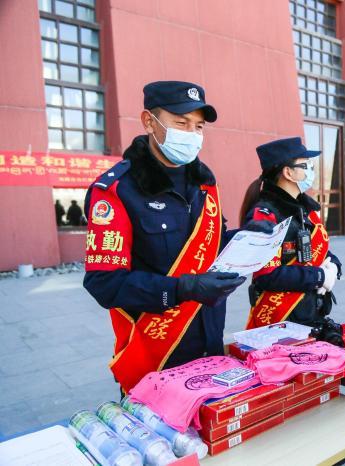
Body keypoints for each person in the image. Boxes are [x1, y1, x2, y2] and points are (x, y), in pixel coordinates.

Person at [83, 81, 246, 393]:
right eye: (181, 123)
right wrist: (181, 288)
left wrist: (248, 239)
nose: (192, 134)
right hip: (155, 354)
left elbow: (211, 242)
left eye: (199, 126)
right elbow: (103, 283)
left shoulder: (204, 182)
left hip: (210, 341)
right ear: (149, 121)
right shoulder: (117, 190)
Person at [239, 137, 342, 329]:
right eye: (306, 165)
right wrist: (319, 277)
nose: (311, 170)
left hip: (311, 312)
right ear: (288, 172)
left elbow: (321, 250)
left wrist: (334, 267)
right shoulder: (265, 215)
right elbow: (267, 274)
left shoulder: (306, 209)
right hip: (281, 319)